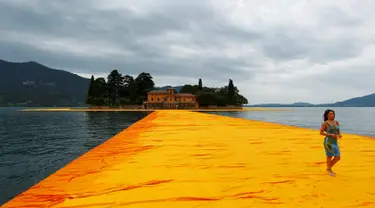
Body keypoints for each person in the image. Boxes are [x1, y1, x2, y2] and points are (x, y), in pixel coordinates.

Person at [320, 109, 342, 176]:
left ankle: (328, 168)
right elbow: (321, 133)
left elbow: (338, 130)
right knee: (329, 156)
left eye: (333, 113)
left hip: (335, 141)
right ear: (327, 115)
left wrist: (339, 134)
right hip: (328, 142)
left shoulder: (336, 122)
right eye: (330, 114)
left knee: (338, 157)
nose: (332, 115)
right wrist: (330, 135)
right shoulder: (325, 123)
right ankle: (330, 170)